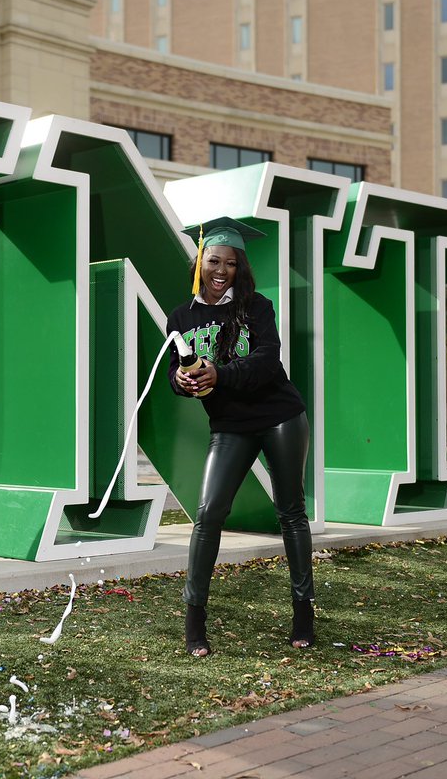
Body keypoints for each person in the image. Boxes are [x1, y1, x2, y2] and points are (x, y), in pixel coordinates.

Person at [165, 216, 315, 658]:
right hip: (229, 427)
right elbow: (177, 374)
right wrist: (183, 381)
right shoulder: (181, 317)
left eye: (230, 263)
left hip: (280, 417)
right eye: (214, 260)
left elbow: (268, 359)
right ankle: (195, 623)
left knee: (290, 512)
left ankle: (303, 613)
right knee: (209, 513)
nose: (221, 270)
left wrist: (221, 373)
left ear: (239, 268)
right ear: (200, 261)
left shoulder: (257, 308)